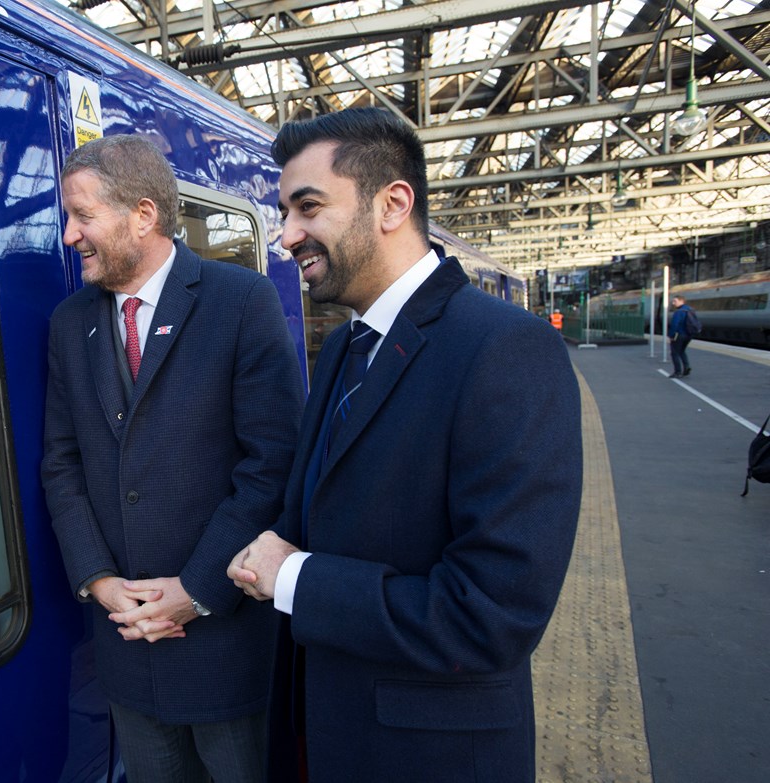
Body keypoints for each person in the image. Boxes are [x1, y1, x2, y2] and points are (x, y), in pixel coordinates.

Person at [227, 108, 583, 782]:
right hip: (325, 736)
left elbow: (492, 615)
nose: (286, 235)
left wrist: (296, 577)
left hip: (430, 756)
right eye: (283, 212)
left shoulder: (507, 349)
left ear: (392, 204)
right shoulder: (342, 349)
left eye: (307, 207)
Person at [41, 134, 304, 783]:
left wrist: (196, 590)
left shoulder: (239, 301)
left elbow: (271, 463)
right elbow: (61, 462)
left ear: (142, 215)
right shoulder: (71, 323)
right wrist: (99, 581)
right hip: (127, 648)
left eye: (83, 215)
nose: (70, 235)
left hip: (224, 642)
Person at [668, 294, 696, 377]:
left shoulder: (679, 312)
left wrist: (671, 335)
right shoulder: (690, 310)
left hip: (679, 335)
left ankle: (677, 372)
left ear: (681, 301)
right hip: (689, 335)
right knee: (682, 351)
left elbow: (674, 325)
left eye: (675, 301)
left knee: (674, 353)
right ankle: (686, 367)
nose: (673, 303)